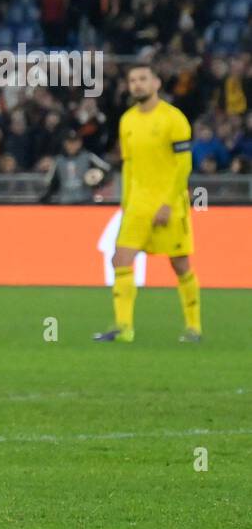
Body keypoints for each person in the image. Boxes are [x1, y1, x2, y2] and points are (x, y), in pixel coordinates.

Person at [95, 63, 202, 343]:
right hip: (137, 206)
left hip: (169, 204)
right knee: (120, 258)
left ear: (156, 83)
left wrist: (168, 203)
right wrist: (126, 203)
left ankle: (193, 327)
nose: (137, 84)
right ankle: (123, 328)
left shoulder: (174, 118)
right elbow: (128, 166)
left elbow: (184, 166)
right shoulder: (127, 120)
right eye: (132, 80)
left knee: (180, 265)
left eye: (143, 79)